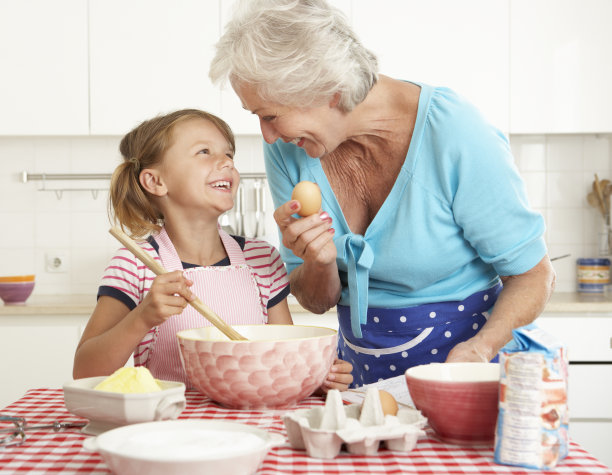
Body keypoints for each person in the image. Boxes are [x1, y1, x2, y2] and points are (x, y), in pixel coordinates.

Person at [209, 0, 556, 387]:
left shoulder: (455, 133)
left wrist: (478, 350)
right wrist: (320, 260)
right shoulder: (290, 149)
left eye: (270, 115)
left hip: (468, 374)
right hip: (363, 378)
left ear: (330, 90)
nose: (267, 135)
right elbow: (316, 301)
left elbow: (533, 276)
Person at [73, 108, 353, 392]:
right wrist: (143, 316)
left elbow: (288, 359)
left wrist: (318, 377)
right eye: (204, 152)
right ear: (156, 181)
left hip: (253, 424)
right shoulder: (134, 265)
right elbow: (85, 372)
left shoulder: (262, 259)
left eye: (229, 154)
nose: (227, 163)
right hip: (170, 426)